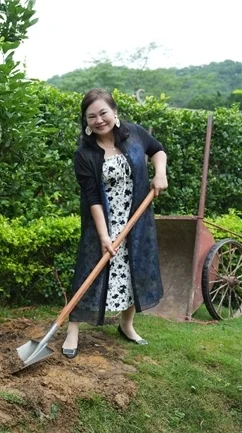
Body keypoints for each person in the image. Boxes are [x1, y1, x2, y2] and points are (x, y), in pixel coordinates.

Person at [62, 88, 168, 358]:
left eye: (103, 113)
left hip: (136, 219)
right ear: (85, 122)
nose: (99, 120)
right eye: (91, 116)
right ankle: (72, 330)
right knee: (89, 271)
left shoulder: (134, 134)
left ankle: (126, 324)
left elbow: (157, 150)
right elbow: (92, 198)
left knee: (137, 269)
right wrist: (103, 235)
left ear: (114, 111)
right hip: (103, 221)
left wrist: (160, 174)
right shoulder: (84, 155)